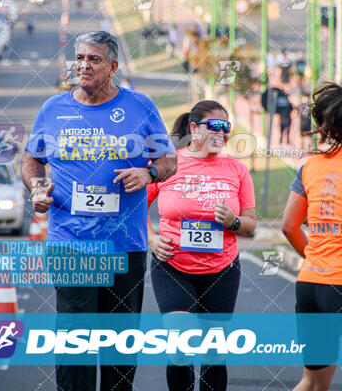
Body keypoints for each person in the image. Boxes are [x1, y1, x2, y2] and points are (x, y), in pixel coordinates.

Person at [21, 30, 177, 391]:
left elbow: (170, 160)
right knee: (75, 343)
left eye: (93, 59)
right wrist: (37, 187)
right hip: (71, 243)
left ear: (112, 66)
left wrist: (148, 171)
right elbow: (31, 160)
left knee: (120, 348)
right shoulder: (54, 109)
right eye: (79, 58)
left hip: (125, 245)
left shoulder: (140, 107)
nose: (83, 65)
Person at [147, 100, 256, 391]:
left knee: (214, 354)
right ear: (194, 128)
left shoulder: (237, 170)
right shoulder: (169, 164)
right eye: (215, 126)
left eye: (227, 127)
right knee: (180, 348)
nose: (222, 132)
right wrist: (152, 238)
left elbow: (250, 225)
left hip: (222, 269)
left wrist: (233, 221)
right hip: (173, 266)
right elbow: (134, 209)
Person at [282, 82, 342, 391]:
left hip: (311, 284)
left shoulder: (310, 167)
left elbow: (289, 227)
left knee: (312, 382)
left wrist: (317, 258)